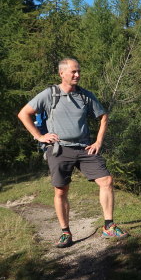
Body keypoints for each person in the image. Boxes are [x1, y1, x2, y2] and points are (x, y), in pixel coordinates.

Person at [17, 58, 128, 247]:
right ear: (62, 73)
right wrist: (39, 136)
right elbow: (23, 113)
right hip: (59, 149)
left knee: (106, 180)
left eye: (78, 71)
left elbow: (103, 117)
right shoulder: (49, 94)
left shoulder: (85, 96)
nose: (77, 75)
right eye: (73, 72)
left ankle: (109, 226)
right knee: (61, 190)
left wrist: (98, 142)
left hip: (85, 148)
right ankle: (65, 233)